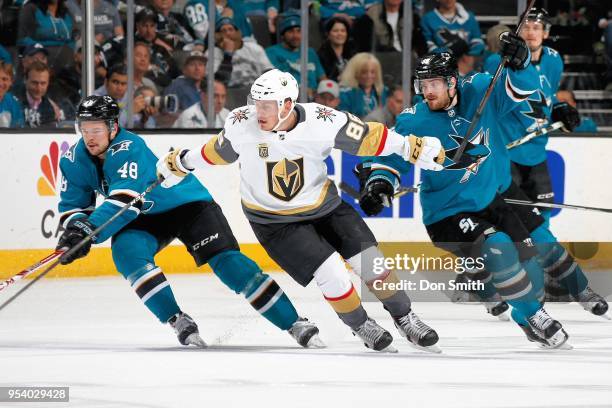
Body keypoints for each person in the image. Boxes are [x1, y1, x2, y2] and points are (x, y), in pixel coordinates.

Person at [157, 69, 445, 353]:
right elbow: (216, 151)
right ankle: (361, 324)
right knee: (333, 272)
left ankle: (405, 317)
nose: (259, 111)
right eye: (256, 103)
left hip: (327, 208)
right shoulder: (241, 123)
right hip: (275, 223)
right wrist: (182, 162)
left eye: (267, 105)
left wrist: (411, 147)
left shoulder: (323, 119)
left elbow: (371, 137)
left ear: (286, 105)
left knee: (373, 265)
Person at [56, 95, 323, 348]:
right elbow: (73, 207)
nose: (90, 137)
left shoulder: (129, 146)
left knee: (230, 265)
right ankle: (176, 319)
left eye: (97, 129)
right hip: (144, 217)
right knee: (127, 254)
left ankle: (294, 322)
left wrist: (88, 230)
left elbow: (126, 199)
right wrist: (74, 230)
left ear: (113, 127)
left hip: (186, 204)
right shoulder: (72, 160)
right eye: (85, 129)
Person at [357, 45, 573, 349]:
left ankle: (525, 318)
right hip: (447, 214)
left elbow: (520, 94)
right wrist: (379, 183)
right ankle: (535, 315)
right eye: (423, 85)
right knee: (499, 248)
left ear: (452, 82)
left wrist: (521, 64)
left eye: (434, 84)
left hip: (489, 201)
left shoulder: (480, 90)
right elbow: (392, 159)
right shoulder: (413, 121)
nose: (427, 92)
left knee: (529, 264)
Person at [484, 10, 608, 318]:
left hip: (537, 153)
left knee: (542, 222)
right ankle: (508, 285)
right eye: (526, 25)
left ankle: (548, 277)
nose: (531, 31)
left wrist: (558, 111)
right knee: (507, 226)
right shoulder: (496, 62)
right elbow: (498, 103)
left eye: (537, 26)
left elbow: (543, 100)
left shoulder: (553, 60)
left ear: (547, 33)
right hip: (508, 156)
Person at [266, 12, 326, 98]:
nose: (295, 36)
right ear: (283, 35)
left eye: (299, 31)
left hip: (315, 98)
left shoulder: (310, 52)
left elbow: (323, 78)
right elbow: (273, 82)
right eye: (290, 32)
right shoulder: (272, 52)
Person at [208, 16, 273, 88]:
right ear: (217, 35)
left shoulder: (255, 48)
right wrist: (228, 54)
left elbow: (269, 72)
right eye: (223, 31)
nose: (228, 33)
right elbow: (218, 82)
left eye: (231, 29)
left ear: (237, 32)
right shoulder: (212, 53)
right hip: (229, 95)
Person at [16, 61, 64, 128]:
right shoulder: (14, 102)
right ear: (25, 80)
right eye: (34, 83)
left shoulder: (51, 107)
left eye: (43, 83)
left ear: (48, 83)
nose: (39, 88)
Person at [338, 52, 387, 118]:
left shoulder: (383, 91)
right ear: (355, 72)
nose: (369, 76)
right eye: (364, 72)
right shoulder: (345, 93)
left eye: (373, 72)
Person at [317, 17, 356, 82]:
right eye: (335, 31)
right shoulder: (321, 56)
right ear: (328, 34)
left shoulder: (352, 52)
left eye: (343, 31)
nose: (340, 34)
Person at [0, 61, 25, 128]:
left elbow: (18, 130)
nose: (0, 83)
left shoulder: (14, 103)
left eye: (4, 79)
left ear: (11, 82)